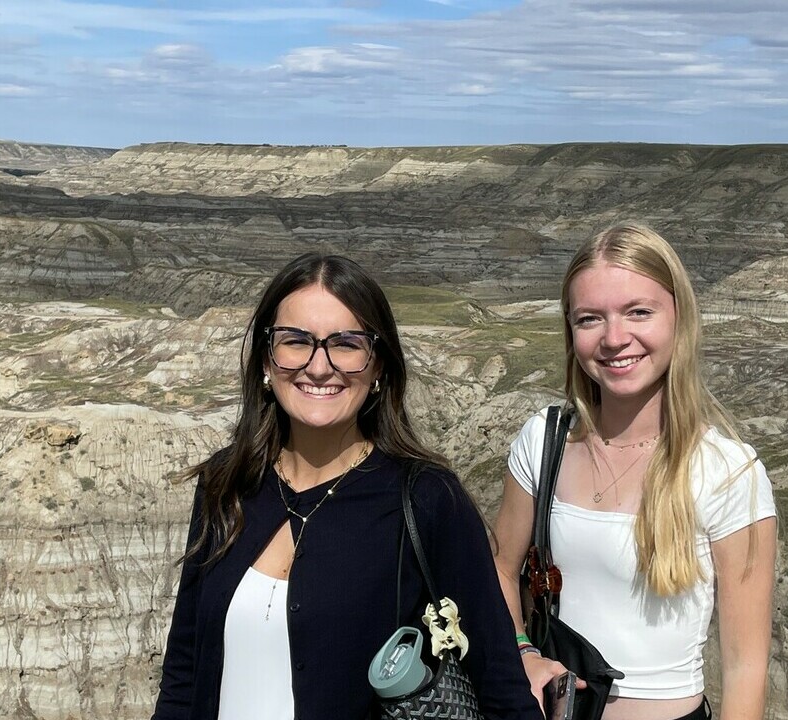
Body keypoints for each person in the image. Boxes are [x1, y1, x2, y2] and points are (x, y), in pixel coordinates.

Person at [155, 253, 541, 720]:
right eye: (296, 341)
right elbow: (184, 672)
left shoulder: (425, 499)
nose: (319, 367)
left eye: (346, 344)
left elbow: (499, 684)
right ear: (265, 359)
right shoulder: (227, 485)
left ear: (378, 366)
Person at [491, 224, 778, 720]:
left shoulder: (729, 473)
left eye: (638, 312)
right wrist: (522, 652)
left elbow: (744, 668)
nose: (615, 339)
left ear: (678, 318)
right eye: (590, 319)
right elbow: (499, 565)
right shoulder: (544, 443)